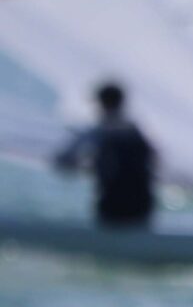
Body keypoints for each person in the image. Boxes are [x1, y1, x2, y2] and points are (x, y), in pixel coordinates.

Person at [53, 82, 156, 229]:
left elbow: (62, 160)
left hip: (112, 205)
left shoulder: (98, 131)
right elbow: (154, 160)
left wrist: (86, 165)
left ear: (102, 104)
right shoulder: (136, 131)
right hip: (142, 206)